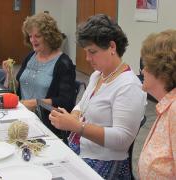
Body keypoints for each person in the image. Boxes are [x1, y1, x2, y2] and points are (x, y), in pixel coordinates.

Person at [49, 14, 147, 179]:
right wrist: (72, 117)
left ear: (112, 47)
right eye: (86, 52)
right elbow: (82, 105)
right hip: (82, 150)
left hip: (106, 162)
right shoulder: (98, 75)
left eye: (92, 52)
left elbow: (122, 139)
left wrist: (77, 127)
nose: (87, 58)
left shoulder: (128, 86)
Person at [2, 12, 76, 143]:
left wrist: (35, 103)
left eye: (37, 36)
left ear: (49, 37)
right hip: (23, 116)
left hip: (45, 123)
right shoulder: (31, 56)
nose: (32, 40)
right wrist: (9, 74)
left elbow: (66, 102)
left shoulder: (63, 63)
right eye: (30, 36)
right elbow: (14, 88)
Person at [138, 30, 176, 179]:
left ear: (161, 71)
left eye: (146, 65)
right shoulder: (166, 106)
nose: (142, 71)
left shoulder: (174, 110)